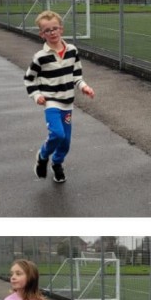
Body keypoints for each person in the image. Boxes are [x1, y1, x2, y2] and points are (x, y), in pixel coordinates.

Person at [24, 11, 95, 184]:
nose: (52, 32)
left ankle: (57, 163)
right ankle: (42, 156)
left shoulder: (72, 51)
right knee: (57, 134)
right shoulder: (40, 57)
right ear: (42, 34)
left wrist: (84, 87)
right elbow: (29, 78)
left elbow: (76, 75)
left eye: (55, 28)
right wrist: (36, 95)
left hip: (68, 102)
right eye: (47, 30)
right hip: (51, 102)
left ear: (61, 29)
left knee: (65, 141)